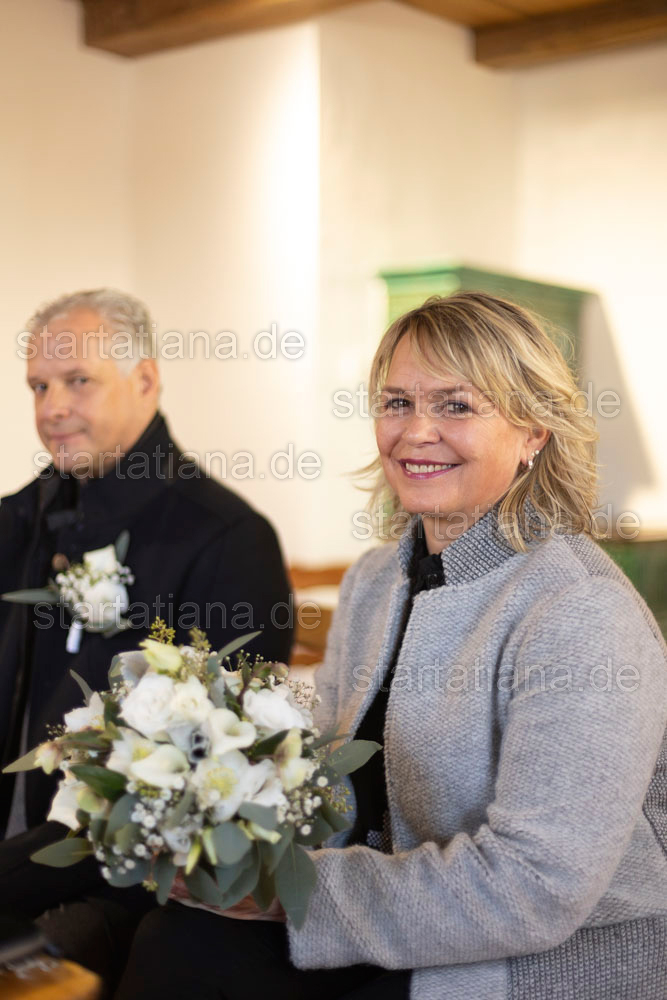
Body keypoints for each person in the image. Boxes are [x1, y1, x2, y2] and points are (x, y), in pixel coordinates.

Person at [110, 293, 667, 999]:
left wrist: (287, 889)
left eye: (456, 406)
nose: (416, 432)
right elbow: (326, 777)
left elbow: (535, 888)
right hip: (397, 919)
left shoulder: (579, 610)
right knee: (173, 936)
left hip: (537, 961)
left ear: (533, 431)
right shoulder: (377, 578)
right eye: (397, 403)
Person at [0, 289, 293, 983]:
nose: (51, 408)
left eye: (78, 381)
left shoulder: (228, 540)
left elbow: (188, 797)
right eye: (39, 386)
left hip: (111, 887)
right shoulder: (15, 523)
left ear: (145, 380)